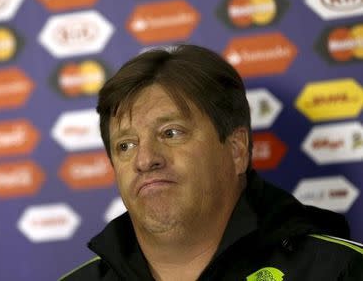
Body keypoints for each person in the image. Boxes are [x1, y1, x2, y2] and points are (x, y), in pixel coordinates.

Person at [60, 44, 363, 280]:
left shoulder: (337, 271)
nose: (145, 159)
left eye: (171, 132)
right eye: (125, 145)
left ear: (236, 150)